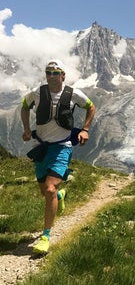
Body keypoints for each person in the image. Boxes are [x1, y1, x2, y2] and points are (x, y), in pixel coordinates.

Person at [21, 59, 96, 254]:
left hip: (62, 146)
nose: (52, 76)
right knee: (44, 192)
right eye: (48, 72)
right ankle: (60, 196)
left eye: (56, 73)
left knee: (50, 188)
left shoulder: (73, 94)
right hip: (41, 147)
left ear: (63, 75)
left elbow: (91, 107)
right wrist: (27, 129)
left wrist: (85, 129)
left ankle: (45, 236)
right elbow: (24, 106)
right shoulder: (37, 93)